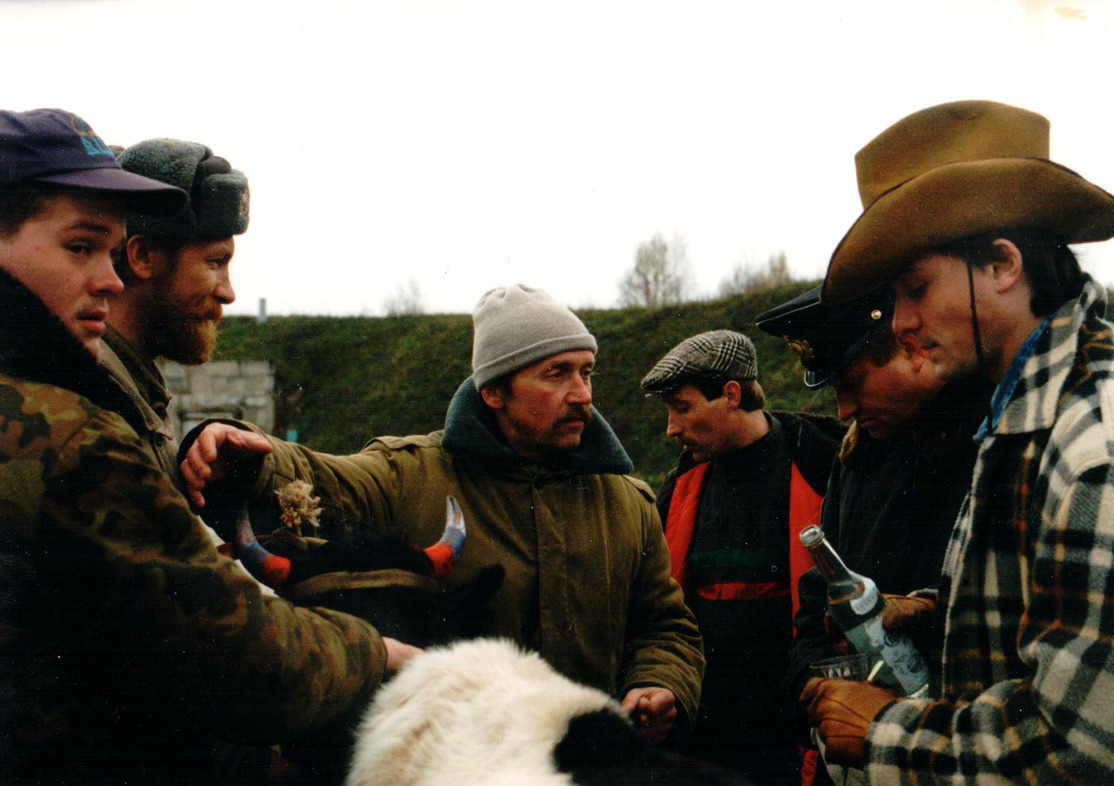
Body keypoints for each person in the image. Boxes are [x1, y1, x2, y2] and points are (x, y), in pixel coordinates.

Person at [0, 108, 417, 786]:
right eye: (81, 247)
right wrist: (378, 657)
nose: (228, 291)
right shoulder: (75, 431)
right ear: (146, 259)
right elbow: (231, 656)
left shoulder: (98, 402)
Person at [180, 283, 706, 743]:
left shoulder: (627, 503)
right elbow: (327, 482)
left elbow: (664, 626)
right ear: (494, 390)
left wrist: (660, 683)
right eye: (556, 374)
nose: (582, 395)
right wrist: (247, 455)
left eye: (586, 372)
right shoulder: (413, 475)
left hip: (588, 767)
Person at [800, 100, 1114, 784]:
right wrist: (936, 616)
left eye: (913, 287)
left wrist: (881, 734)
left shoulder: (1099, 439)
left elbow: (1089, 748)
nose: (898, 321)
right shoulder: (1025, 413)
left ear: (1000, 265)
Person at [758, 285, 990, 785]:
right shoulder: (858, 457)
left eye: (853, 380)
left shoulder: (994, 447)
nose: (843, 409)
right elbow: (814, 613)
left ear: (910, 350)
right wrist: (818, 693)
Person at [639, 330, 844, 783]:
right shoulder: (677, 491)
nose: (671, 427)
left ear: (731, 394)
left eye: (682, 406)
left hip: (797, 745)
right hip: (705, 746)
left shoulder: (827, 470)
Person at [98, 138, 248, 482]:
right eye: (215, 262)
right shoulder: (103, 405)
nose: (228, 293)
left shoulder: (130, 391)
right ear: (143, 257)